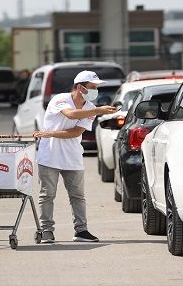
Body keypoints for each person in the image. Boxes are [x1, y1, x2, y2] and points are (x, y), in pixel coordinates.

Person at [33, 70, 118, 243]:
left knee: (78, 196)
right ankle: (46, 230)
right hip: (49, 155)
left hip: (72, 157)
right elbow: (70, 114)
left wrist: (50, 133)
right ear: (80, 87)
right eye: (92, 87)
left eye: (96, 87)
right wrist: (99, 109)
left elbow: (75, 132)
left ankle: (81, 231)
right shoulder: (60, 99)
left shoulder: (90, 109)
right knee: (47, 195)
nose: (95, 91)